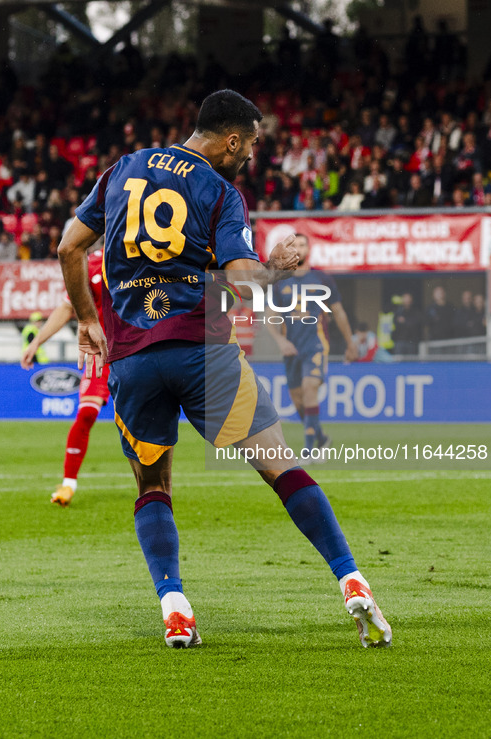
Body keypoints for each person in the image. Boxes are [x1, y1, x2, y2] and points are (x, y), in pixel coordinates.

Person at [56, 90, 391, 649]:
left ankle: (175, 606)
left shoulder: (122, 169)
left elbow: (70, 247)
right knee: (280, 465)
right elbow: (241, 281)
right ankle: (350, 577)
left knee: (153, 483)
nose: (253, 155)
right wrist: (277, 270)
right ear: (232, 139)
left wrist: (89, 321)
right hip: (201, 350)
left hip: (133, 357)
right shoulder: (220, 191)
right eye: (253, 144)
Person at [21, 249, 109, 506]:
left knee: (141, 421)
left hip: (137, 352)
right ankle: (68, 483)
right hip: (100, 355)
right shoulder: (92, 263)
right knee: (86, 413)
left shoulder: (144, 255)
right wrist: (36, 342)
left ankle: (153, 487)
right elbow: (66, 307)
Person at [268, 233, 358, 457]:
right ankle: (321, 437)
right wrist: (280, 340)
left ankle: (309, 452)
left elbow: (338, 312)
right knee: (299, 401)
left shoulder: (322, 279)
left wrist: (350, 343)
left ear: (309, 249)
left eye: (302, 245)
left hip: (316, 346)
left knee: (309, 388)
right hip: (291, 349)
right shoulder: (280, 280)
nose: (298, 248)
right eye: (295, 245)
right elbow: (270, 315)